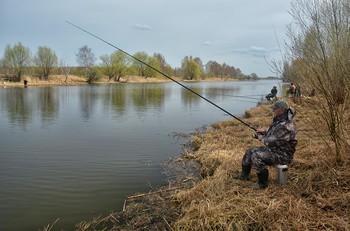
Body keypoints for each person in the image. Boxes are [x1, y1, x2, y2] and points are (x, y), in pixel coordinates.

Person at [234, 100, 298, 189]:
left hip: (282, 155)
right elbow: (276, 131)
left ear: (282, 110)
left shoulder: (287, 125)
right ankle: (244, 175)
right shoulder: (281, 119)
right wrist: (265, 131)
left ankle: (262, 183)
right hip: (274, 150)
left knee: (256, 155)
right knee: (250, 150)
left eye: (275, 109)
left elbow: (272, 141)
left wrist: (260, 138)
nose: (273, 110)